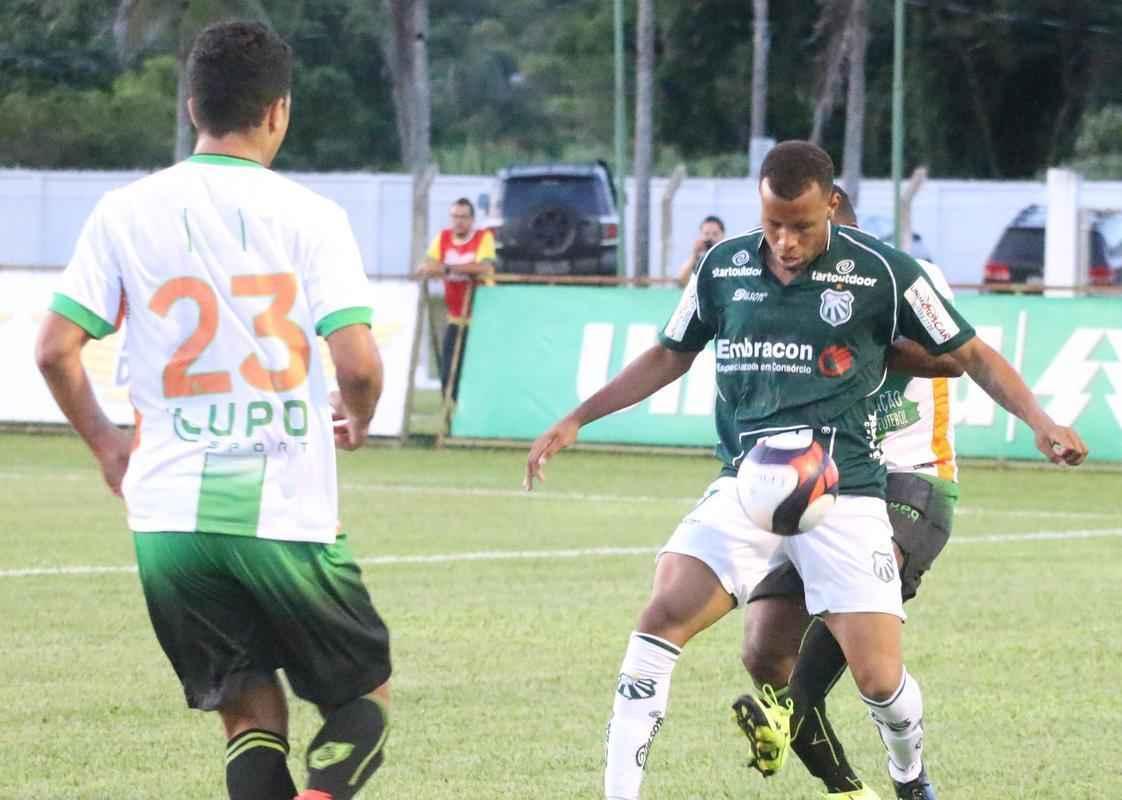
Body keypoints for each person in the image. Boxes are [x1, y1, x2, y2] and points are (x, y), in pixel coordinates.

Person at [523, 140, 1087, 800]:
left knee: (879, 680)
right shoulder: (722, 270)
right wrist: (578, 417)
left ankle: (909, 777)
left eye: (801, 225)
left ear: (832, 206)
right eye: (772, 225)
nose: (785, 242)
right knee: (660, 620)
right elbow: (668, 356)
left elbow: (972, 356)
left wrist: (1042, 422)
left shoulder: (885, 273)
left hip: (843, 493)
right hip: (747, 481)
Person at [34, 21, 391, 800]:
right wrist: (358, 417)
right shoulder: (311, 216)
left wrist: (104, 443)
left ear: (193, 105)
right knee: (364, 702)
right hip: (283, 509)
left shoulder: (123, 211)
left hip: (168, 520)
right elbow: (358, 364)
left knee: (249, 716)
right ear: (279, 112)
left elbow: (55, 349)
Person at [737, 184, 967, 800]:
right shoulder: (794, 292)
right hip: (826, 483)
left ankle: (907, 778)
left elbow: (953, 354)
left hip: (915, 476)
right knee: (763, 651)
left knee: (858, 628)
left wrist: (860, 354)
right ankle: (846, 790)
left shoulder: (908, 278)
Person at [416, 198, 496, 400]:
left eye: (463, 217)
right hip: (455, 317)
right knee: (448, 374)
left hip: (481, 318)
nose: (459, 221)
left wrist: (448, 268)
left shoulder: (482, 237)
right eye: (455, 217)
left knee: (478, 372)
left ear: (472, 219)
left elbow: (484, 267)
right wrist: (433, 269)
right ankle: (451, 417)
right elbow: (427, 265)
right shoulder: (443, 238)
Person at [676, 215, 726, 287]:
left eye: (715, 234)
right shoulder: (696, 259)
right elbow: (681, 282)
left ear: (723, 235)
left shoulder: (729, 257)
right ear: (700, 235)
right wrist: (694, 255)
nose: (710, 238)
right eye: (706, 234)